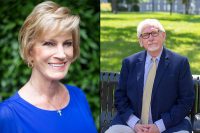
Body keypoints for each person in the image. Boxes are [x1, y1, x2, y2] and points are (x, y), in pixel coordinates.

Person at [0, 1, 97, 133]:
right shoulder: (8, 115)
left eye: (67, 43)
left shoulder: (78, 96)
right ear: (29, 50)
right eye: (49, 43)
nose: (62, 54)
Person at [105, 19, 194, 133]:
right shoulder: (129, 63)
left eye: (154, 33)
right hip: (132, 124)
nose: (151, 38)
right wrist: (134, 123)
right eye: (145, 35)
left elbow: (186, 100)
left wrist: (159, 126)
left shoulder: (180, 63)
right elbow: (120, 97)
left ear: (163, 35)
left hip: (170, 124)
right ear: (140, 41)